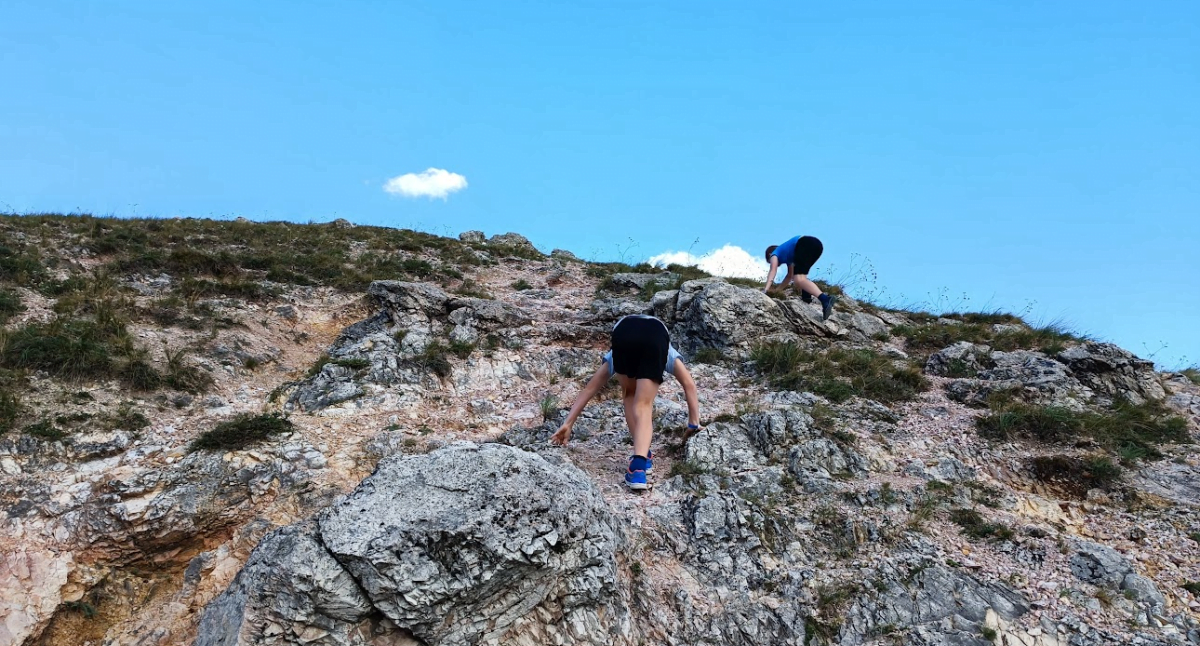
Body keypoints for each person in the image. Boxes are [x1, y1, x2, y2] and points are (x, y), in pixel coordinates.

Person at [550, 314, 701, 490]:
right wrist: (693, 423)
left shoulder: (613, 355)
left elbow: (590, 388)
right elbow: (689, 384)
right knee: (643, 405)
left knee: (630, 393)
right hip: (655, 336)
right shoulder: (666, 351)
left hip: (623, 335)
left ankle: (642, 455)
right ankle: (639, 463)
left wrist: (568, 422)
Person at [764, 235, 835, 320]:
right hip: (817, 245)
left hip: (804, 243)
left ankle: (825, 299)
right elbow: (789, 276)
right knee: (800, 276)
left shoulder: (774, 254)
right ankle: (806, 295)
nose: (772, 263)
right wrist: (778, 290)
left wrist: (766, 290)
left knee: (798, 279)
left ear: (769, 255)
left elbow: (773, 270)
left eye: (769, 262)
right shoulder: (788, 254)